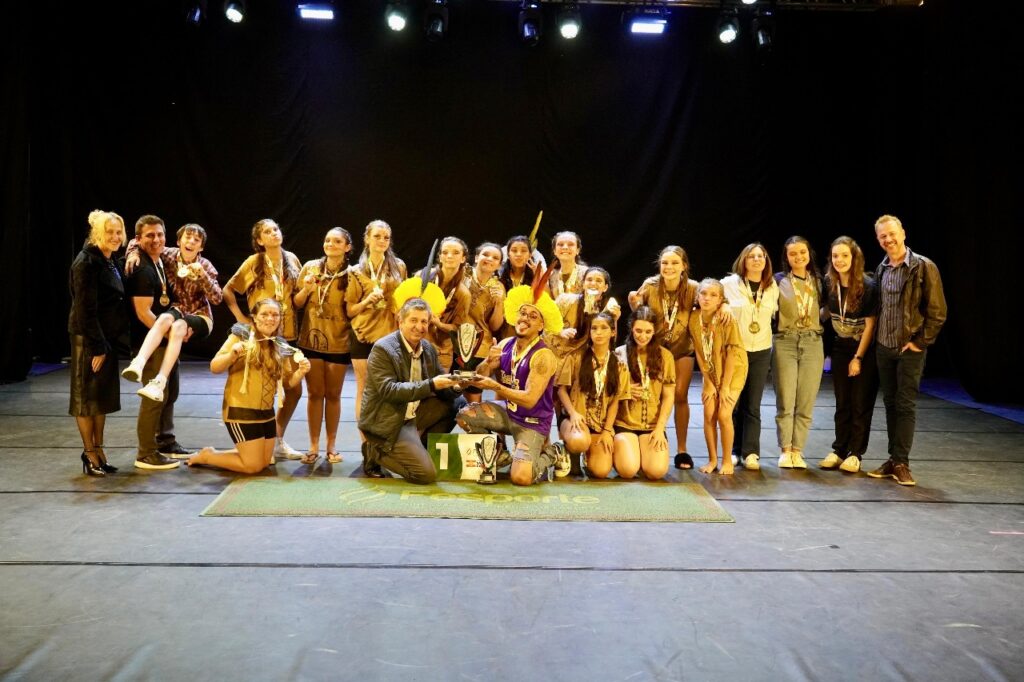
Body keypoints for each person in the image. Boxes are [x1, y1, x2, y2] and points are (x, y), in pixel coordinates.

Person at [458, 273, 571, 485]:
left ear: (541, 326)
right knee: (465, 415)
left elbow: (529, 399)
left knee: (521, 477)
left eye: (533, 316)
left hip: (532, 421)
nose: (525, 318)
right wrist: (487, 362)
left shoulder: (543, 356)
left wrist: (495, 386)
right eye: (523, 313)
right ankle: (500, 455)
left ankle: (553, 453)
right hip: (509, 411)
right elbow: (480, 377)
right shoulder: (505, 344)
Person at [867, 215, 946, 486]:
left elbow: (937, 312)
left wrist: (919, 343)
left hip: (909, 349)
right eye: (883, 236)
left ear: (903, 233)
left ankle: (901, 462)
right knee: (890, 404)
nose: (888, 239)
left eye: (892, 234)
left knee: (905, 404)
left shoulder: (923, 267)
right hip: (884, 347)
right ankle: (893, 460)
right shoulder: (881, 269)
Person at [188, 299, 311, 473]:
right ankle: (208, 456)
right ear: (254, 317)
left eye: (275, 315)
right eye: (264, 314)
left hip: (266, 413)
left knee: (265, 461)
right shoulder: (240, 336)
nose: (270, 318)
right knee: (253, 466)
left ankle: (234, 453)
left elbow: (287, 383)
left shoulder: (279, 345)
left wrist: (300, 372)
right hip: (240, 411)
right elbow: (215, 367)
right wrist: (232, 355)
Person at [357, 297, 465, 483]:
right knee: (425, 475)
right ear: (401, 321)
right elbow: (389, 391)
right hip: (387, 420)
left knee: (458, 403)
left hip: (411, 414)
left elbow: (442, 388)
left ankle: (418, 450)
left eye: (424, 321)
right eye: (413, 320)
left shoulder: (428, 348)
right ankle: (374, 450)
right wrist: (431, 385)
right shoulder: (383, 349)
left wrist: (456, 386)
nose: (419, 327)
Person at [223, 218, 305, 460]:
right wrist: (242, 319)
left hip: (286, 335)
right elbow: (228, 290)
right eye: (267, 232)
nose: (274, 233)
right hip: (261, 336)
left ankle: (277, 438)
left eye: (276, 229)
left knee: (294, 389)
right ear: (259, 240)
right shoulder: (254, 262)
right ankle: (261, 441)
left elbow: (298, 296)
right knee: (264, 389)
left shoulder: (292, 259)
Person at [121, 223, 222, 402]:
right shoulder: (168, 255)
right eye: (187, 237)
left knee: (178, 326)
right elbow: (135, 242)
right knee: (164, 318)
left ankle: (159, 383)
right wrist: (133, 253)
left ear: (201, 247)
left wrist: (203, 276)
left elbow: (217, 298)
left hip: (200, 314)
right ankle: (138, 363)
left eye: (196, 240)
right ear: (178, 241)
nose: (191, 242)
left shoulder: (205, 265)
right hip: (177, 308)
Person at [125, 215, 190, 470]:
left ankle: (165, 441)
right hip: (150, 343)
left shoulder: (161, 260)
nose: (156, 240)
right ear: (138, 239)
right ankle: (146, 452)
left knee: (169, 392)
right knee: (154, 397)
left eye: (160, 234)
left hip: (165, 341)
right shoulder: (141, 268)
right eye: (150, 235)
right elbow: (143, 313)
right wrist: (170, 335)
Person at [68, 210, 129, 476]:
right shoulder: (86, 262)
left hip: (106, 338)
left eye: (118, 232)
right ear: (97, 233)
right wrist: (98, 347)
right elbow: (85, 310)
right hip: (89, 339)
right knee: (86, 398)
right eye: (109, 232)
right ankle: (89, 452)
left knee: (101, 398)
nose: (115, 237)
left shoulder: (109, 259)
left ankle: (100, 450)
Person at [627, 246, 699, 469]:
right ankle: (653, 432)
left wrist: (724, 305)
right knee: (652, 393)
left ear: (684, 266)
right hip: (654, 348)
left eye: (675, 263)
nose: (669, 267)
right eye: (665, 263)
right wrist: (633, 303)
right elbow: (638, 311)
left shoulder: (693, 288)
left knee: (680, 395)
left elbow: (713, 299)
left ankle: (682, 450)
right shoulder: (650, 285)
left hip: (681, 348)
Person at [293, 227, 353, 466]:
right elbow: (297, 303)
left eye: (337, 241)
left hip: (338, 341)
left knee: (334, 395)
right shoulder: (310, 268)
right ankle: (313, 445)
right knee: (315, 393)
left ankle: (332, 445)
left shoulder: (352, 274)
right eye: (328, 240)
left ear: (347, 247)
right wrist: (307, 289)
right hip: (311, 339)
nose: (331, 244)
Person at [820, 236, 879, 474]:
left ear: (855, 258)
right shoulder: (829, 282)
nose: (840, 260)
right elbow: (825, 311)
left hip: (862, 349)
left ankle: (855, 453)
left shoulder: (868, 286)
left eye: (845, 255)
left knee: (859, 402)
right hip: (840, 347)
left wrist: (858, 358)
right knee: (842, 402)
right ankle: (839, 450)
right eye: (835, 256)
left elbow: (870, 325)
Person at [346, 219, 407, 439]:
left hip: (391, 335)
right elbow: (350, 310)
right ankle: (365, 442)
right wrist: (367, 302)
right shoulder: (355, 271)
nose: (382, 241)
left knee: (390, 388)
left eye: (386, 237)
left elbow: (404, 300)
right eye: (377, 236)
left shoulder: (399, 266)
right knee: (364, 388)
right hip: (363, 334)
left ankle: (387, 439)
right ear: (367, 239)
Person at [722, 243, 780, 471]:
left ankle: (751, 452)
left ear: (766, 261)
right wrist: (723, 305)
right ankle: (733, 451)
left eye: (761, 256)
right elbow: (708, 298)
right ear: (743, 260)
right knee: (734, 404)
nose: (756, 260)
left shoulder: (772, 286)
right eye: (751, 256)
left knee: (753, 404)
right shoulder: (728, 284)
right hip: (736, 351)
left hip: (762, 350)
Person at [773, 235, 826, 470]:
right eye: (793, 253)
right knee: (786, 400)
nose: (798, 257)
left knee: (806, 401)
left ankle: (798, 450)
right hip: (785, 341)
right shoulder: (777, 280)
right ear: (786, 257)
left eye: (802, 252)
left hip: (813, 342)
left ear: (809, 253)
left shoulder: (820, 280)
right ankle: (785, 450)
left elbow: (826, 309)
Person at [555, 312, 629, 479]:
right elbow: (561, 390)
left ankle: (589, 455)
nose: (598, 332)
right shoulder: (576, 357)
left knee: (601, 471)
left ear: (613, 332)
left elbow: (615, 401)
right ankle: (567, 450)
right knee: (579, 442)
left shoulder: (619, 364)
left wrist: (607, 431)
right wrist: (573, 413)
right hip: (575, 419)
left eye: (604, 328)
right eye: (594, 328)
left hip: (599, 424)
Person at [690, 279, 748, 475]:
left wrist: (724, 386)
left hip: (733, 369)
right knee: (709, 414)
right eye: (703, 294)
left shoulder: (726, 318)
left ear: (721, 300)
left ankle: (727, 460)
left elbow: (732, 353)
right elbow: (699, 351)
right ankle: (712, 459)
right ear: (697, 296)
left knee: (724, 414)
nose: (707, 298)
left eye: (713, 295)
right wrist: (707, 381)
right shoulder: (694, 318)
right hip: (710, 369)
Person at [612, 306, 675, 480]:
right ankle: (632, 456)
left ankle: (642, 456)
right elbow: (607, 391)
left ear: (654, 331)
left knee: (656, 472)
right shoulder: (619, 354)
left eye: (648, 332)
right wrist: (624, 390)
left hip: (652, 426)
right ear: (631, 328)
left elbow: (669, 395)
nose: (643, 336)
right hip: (625, 423)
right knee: (628, 471)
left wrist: (660, 428)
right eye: (638, 331)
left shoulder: (666, 356)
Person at [546, 266, 621, 371]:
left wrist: (615, 319)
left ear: (605, 287)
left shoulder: (607, 308)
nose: (593, 283)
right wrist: (560, 331)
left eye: (598, 281)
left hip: (582, 358)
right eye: (589, 280)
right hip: (556, 353)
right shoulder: (565, 300)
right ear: (583, 284)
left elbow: (610, 341)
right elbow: (545, 322)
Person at [461, 242, 507, 403]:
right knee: (450, 387)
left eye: (495, 258)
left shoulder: (498, 287)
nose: (489, 259)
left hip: (479, 345)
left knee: (474, 392)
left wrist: (499, 303)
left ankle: (474, 417)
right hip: (452, 341)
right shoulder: (462, 277)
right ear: (476, 257)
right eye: (485, 255)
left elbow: (494, 326)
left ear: (499, 265)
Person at [426, 236, 472, 371]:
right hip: (416, 345)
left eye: (456, 253)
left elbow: (458, 328)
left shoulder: (463, 293)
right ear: (440, 257)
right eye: (445, 252)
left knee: (438, 385)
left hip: (441, 352)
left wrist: (439, 324)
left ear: (463, 258)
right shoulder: (423, 278)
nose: (449, 256)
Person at [496, 235, 537, 339]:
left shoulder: (536, 274)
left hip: (528, 327)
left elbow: (547, 299)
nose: (518, 254)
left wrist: (538, 276)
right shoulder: (499, 276)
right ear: (508, 254)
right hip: (502, 327)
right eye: (514, 251)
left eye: (523, 251)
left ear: (530, 255)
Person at [547, 231, 587, 298]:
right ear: (554, 251)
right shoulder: (551, 276)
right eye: (560, 244)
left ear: (577, 250)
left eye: (570, 244)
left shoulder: (587, 274)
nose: (565, 247)